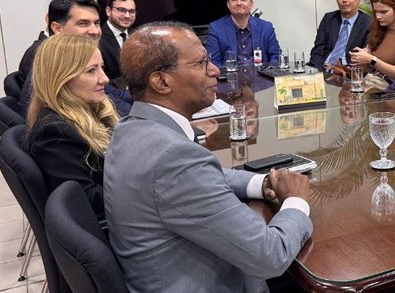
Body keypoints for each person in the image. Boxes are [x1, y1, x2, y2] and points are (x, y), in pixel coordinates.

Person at [104, 22, 312, 293]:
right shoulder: (172, 158)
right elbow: (271, 256)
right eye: (202, 63)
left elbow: (204, 174)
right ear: (161, 82)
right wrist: (296, 200)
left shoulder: (132, 128)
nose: (215, 71)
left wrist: (259, 183)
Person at [26, 34, 118, 219]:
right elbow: (85, 201)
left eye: (102, 68)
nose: (105, 79)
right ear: (62, 77)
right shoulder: (54, 132)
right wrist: (145, 187)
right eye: (91, 71)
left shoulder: (93, 110)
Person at [18, 0, 133, 115]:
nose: (95, 31)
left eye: (96, 23)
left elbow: (112, 93)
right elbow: (115, 108)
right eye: (83, 23)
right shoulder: (47, 60)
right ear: (57, 28)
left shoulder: (78, 57)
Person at [205, 0, 281, 66]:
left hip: (261, 77)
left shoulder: (266, 28)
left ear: (251, 4)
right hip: (229, 77)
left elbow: (276, 57)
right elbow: (214, 63)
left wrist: (268, 74)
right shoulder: (216, 28)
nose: (239, 3)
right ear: (228, 4)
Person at [308, 0, 372, 72]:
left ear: (359, 0)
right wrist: (318, 73)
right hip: (324, 70)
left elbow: (363, 58)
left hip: (349, 73)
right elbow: (318, 50)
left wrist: (341, 71)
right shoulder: (329, 18)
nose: (344, 0)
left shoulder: (368, 23)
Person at [99, 0, 137, 81]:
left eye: (131, 11)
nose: (127, 16)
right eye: (121, 10)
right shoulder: (97, 38)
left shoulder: (139, 36)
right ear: (108, 11)